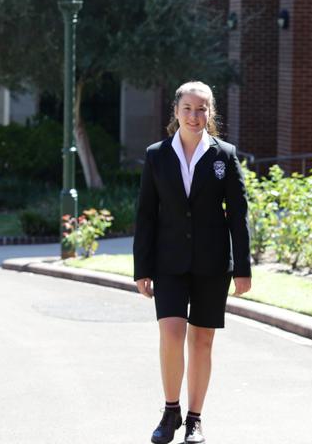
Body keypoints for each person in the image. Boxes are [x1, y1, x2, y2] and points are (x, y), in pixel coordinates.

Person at [133, 81, 252, 444]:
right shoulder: (157, 155)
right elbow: (146, 216)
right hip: (168, 262)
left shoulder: (224, 155)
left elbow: (238, 214)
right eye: (188, 108)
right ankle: (171, 412)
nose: (195, 115)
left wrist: (243, 267)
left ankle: (195, 420)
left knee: (202, 341)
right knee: (171, 335)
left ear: (211, 113)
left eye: (202, 109)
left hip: (212, 264)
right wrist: (142, 269)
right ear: (176, 112)